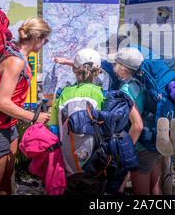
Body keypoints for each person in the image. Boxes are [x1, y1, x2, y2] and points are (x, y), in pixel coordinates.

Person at [50, 48, 143, 195]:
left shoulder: (61, 94)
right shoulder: (103, 95)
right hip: (95, 164)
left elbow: (54, 129)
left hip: (67, 164)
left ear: (74, 69)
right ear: (98, 72)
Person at [0, 17, 52, 195]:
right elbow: (3, 103)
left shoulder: (18, 55)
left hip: (9, 127)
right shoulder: (15, 61)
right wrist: (34, 117)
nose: (44, 44)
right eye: (45, 40)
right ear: (36, 38)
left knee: (5, 182)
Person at [111, 47, 164, 195]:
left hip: (142, 146)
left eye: (116, 64)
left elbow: (138, 125)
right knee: (155, 188)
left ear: (123, 69)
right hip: (155, 138)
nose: (113, 66)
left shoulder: (126, 91)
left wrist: (126, 151)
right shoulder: (143, 82)